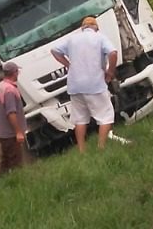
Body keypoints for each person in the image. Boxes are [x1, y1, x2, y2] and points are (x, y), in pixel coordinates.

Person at [51, 16, 119, 152]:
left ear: (83, 28)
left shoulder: (72, 39)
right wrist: (110, 72)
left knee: (80, 119)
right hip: (95, 84)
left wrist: (68, 65)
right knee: (105, 116)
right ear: (96, 27)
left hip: (75, 86)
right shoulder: (99, 37)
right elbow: (113, 52)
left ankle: (82, 150)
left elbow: (54, 51)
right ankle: (101, 147)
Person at [0, 61, 25, 173]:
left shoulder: (1, 86)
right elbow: (11, 113)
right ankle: (17, 184)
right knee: (15, 163)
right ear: (14, 73)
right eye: (17, 71)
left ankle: (5, 184)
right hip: (10, 134)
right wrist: (18, 132)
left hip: (2, 133)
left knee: (6, 162)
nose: (18, 74)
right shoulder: (10, 90)